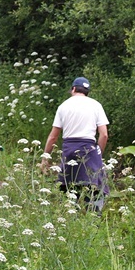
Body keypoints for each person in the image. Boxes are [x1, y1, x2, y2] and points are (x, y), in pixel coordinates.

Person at [41, 77, 109, 213]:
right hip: (89, 151)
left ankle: (71, 219)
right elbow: (104, 135)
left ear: (73, 89)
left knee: (69, 192)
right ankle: (94, 218)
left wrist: (45, 158)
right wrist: (98, 153)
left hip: (69, 151)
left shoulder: (63, 106)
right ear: (87, 91)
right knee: (96, 188)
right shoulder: (96, 105)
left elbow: (53, 136)